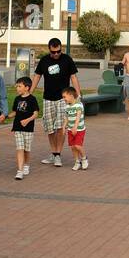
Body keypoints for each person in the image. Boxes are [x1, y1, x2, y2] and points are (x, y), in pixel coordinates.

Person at [31, 38, 80, 168]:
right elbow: (37, 76)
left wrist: (77, 95)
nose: (56, 54)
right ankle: (53, 153)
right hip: (48, 98)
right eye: (54, 52)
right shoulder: (44, 60)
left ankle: (58, 154)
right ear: (49, 50)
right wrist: (30, 92)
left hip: (63, 99)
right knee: (50, 128)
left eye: (58, 51)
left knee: (60, 127)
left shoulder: (67, 59)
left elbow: (73, 77)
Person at [11, 76, 40, 180]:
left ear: (27, 87)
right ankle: (20, 170)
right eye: (17, 86)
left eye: (19, 86)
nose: (17, 88)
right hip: (17, 127)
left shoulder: (32, 99)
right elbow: (15, 112)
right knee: (20, 148)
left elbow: (36, 114)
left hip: (28, 129)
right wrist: (5, 116)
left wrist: (27, 120)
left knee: (26, 150)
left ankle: (26, 165)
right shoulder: (17, 99)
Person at [63, 85, 88, 170]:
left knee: (78, 146)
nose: (64, 99)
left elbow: (78, 116)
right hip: (70, 129)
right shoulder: (67, 107)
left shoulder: (79, 105)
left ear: (71, 96)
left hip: (79, 129)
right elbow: (66, 117)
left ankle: (84, 158)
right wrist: (64, 126)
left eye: (65, 97)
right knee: (73, 147)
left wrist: (75, 127)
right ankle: (77, 161)